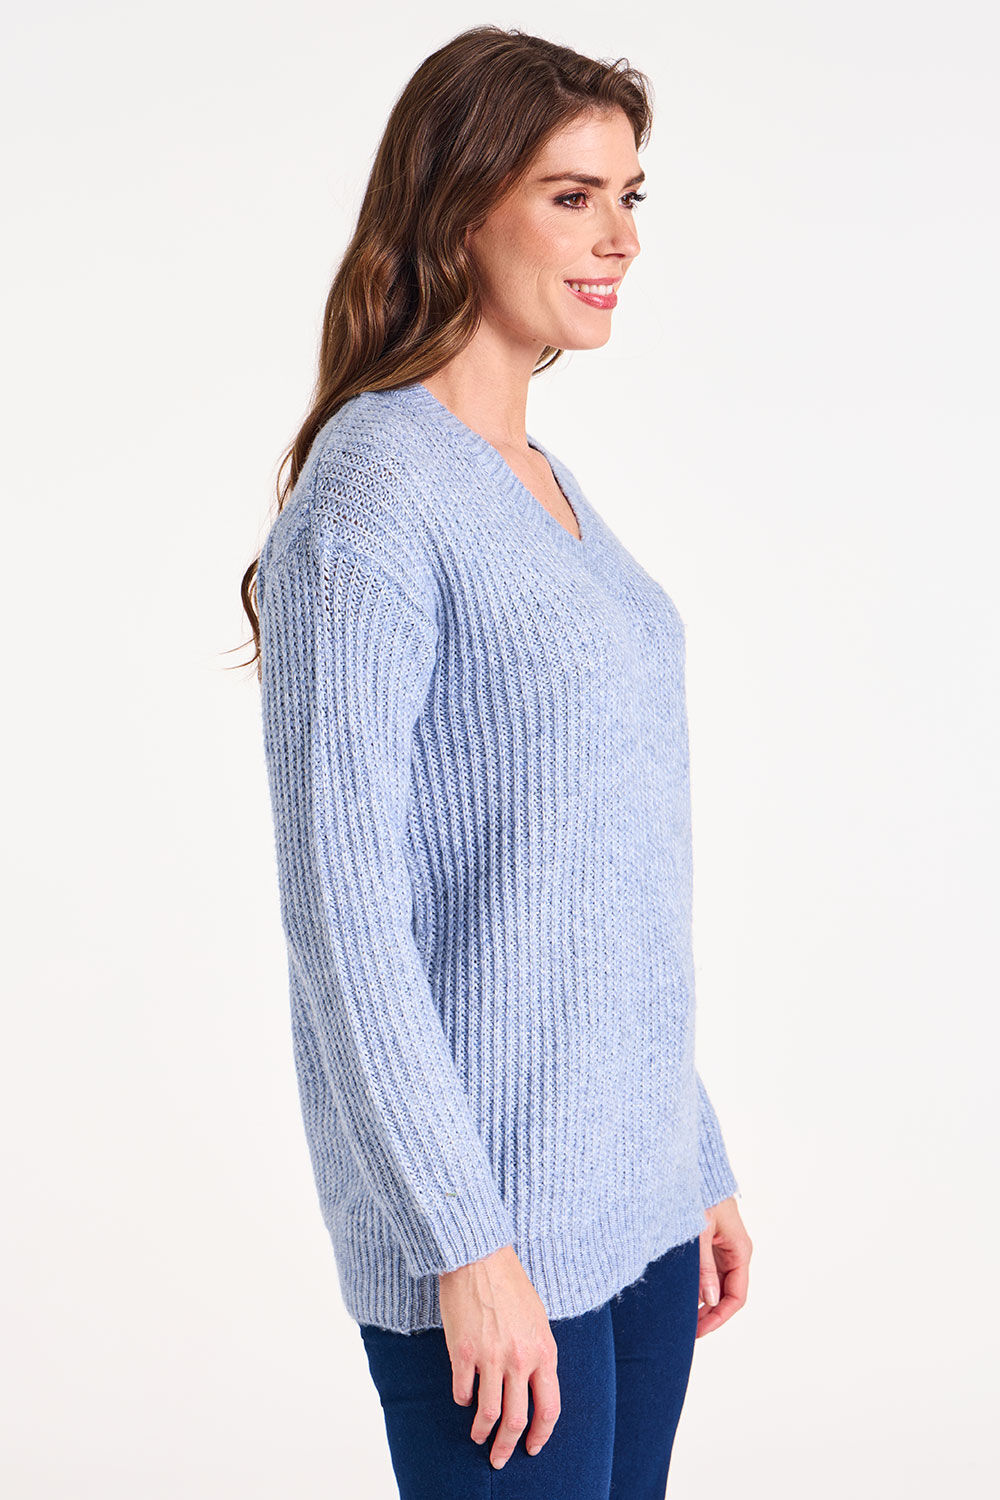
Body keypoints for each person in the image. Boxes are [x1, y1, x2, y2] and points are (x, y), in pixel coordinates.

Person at [240, 24, 752, 1499]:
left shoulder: (546, 485)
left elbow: (607, 876)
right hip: (492, 1240)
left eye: (630, 196)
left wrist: (695, 1152)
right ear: (461, 206)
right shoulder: (373, 493)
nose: (619, 239)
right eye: (571, 196)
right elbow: (345, 917)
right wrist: (464, 1243)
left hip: (638, 1213)